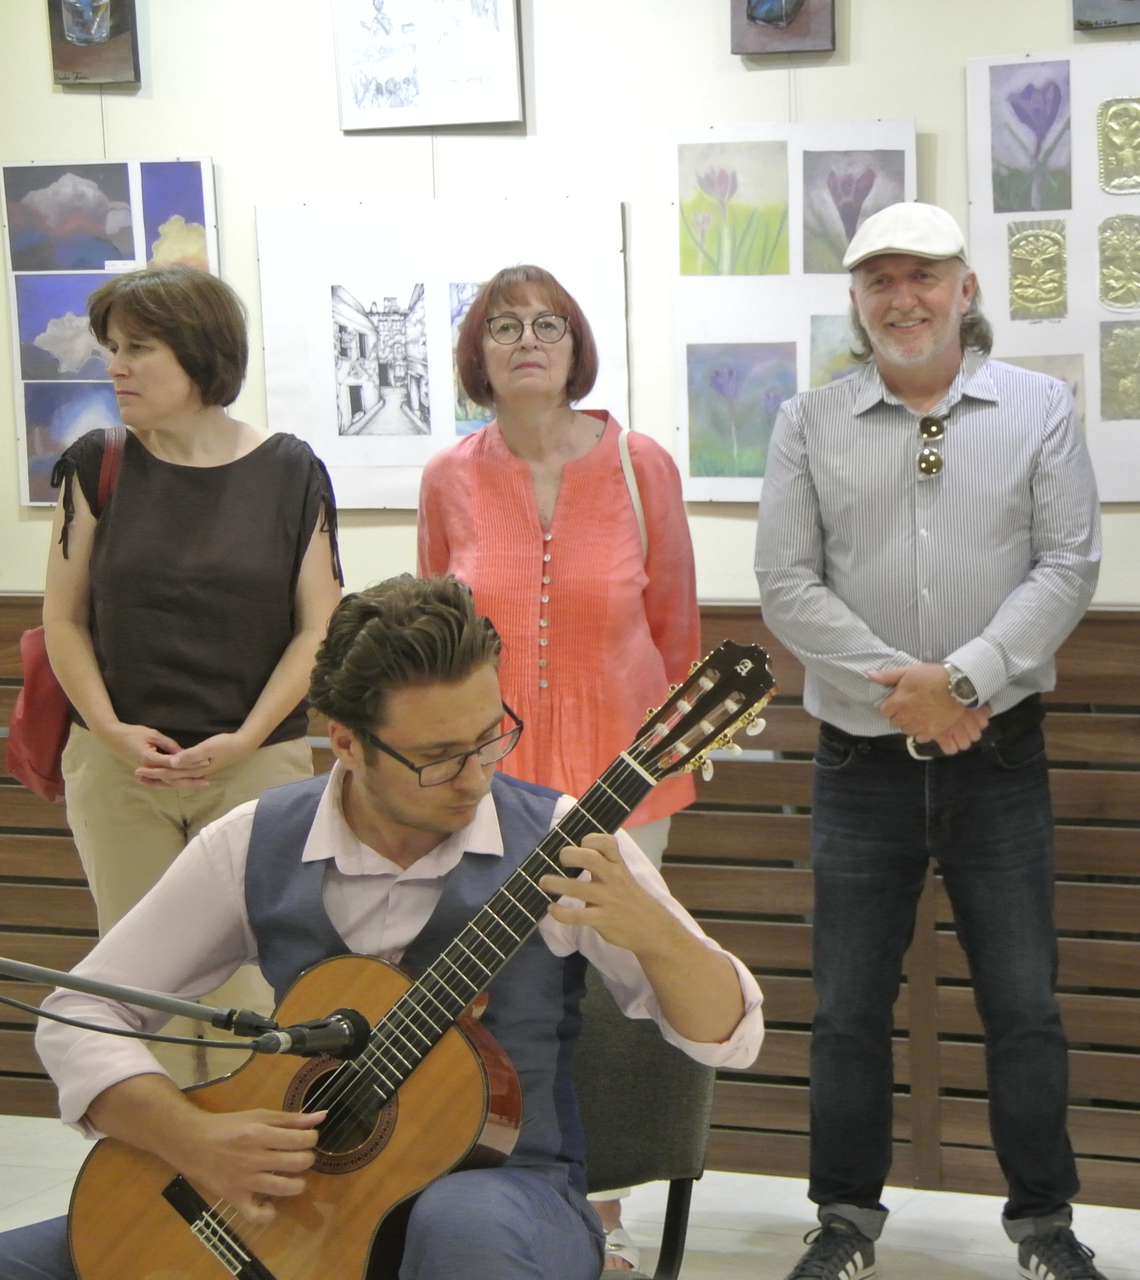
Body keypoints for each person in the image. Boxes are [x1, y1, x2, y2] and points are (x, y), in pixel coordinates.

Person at [0, 573, 764, 1280]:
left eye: (490, 738)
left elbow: (732, 1038)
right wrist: (196, 1138)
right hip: (288, 1201)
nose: (475, 776)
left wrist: (656, 934)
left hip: (504, 1196)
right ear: (348, 744)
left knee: (461, 1236)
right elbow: (79, 1012)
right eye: (437, 757)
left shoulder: (564, 838)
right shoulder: (254, 842)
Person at [755, 202, 1104, 1280]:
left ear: (966, 288)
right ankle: (843, 1220)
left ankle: (1043, 1224)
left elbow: (1069, 564)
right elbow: (784, 582)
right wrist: (904, 690)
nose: (902, 298)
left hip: (999, 753)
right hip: (857, 760)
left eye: (924, 276)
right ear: (855, 302)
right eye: (879, 280)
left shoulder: (1039, 407)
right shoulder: (807, 420)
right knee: (848, 1010)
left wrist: (960, 681)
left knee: (1023, 1004)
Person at [418, 264, 699, 1269]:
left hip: (626, 778)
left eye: (547, 324)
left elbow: (675, 628)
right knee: (510, 997)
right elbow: (432, 641)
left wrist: (666, 762)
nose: (527, 340)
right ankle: (514, 1191)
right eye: (504, 326)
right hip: (487, 784)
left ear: (576, 348)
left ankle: (604, 1213)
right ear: (478, 354)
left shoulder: (639, 464)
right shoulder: (448, 477)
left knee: (613, 1000)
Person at [43, 265, 342, 1084]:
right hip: (118, 770)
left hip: (255, 768)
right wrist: (109, 729)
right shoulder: (97, 464)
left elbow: (319, 627)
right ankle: (155, 1159)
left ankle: (250, 1151)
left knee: (256, 989)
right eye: (112, 348)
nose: (116, 367)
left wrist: (245, 737)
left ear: (201, 355)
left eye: (138, 348)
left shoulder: (290, 470)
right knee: (136, 990)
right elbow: (62, 620)